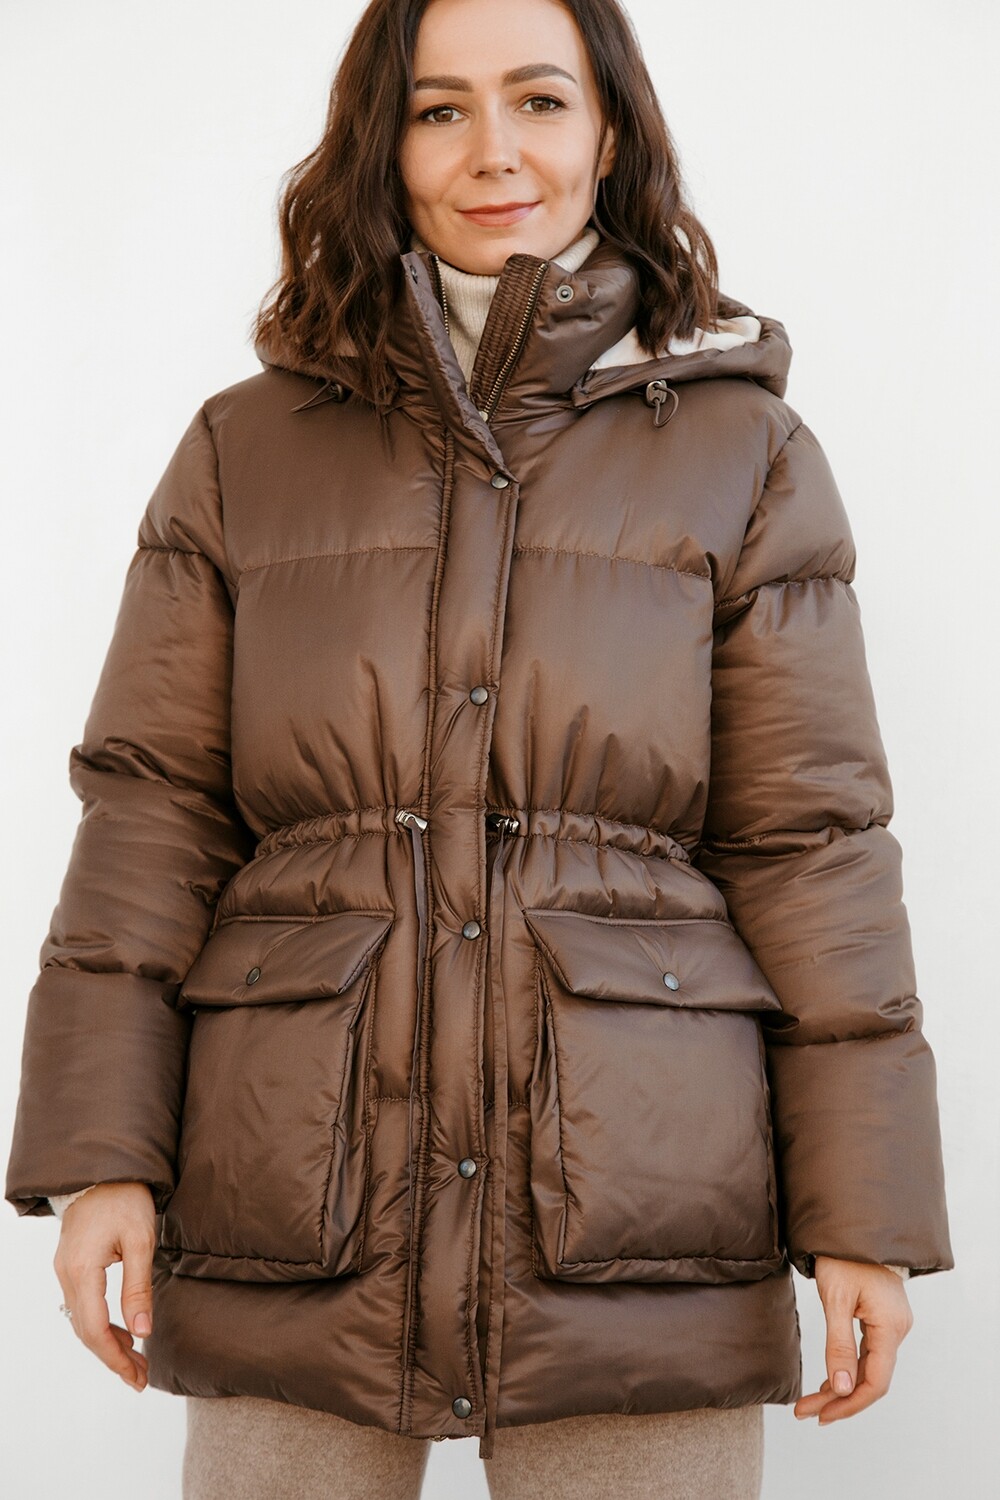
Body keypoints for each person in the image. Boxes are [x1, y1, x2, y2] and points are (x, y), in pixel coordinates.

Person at [5, 0, 954, 1496]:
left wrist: (865, 1215)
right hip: (297, 1196)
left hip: (640, 1214)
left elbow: (811, 848)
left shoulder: (748, 457)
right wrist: (99, 1154)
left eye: (539, 100)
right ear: (382, 144)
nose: (493, 150)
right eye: (439, 109)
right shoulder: (245, 450)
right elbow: (153, 815)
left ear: (610, 132)